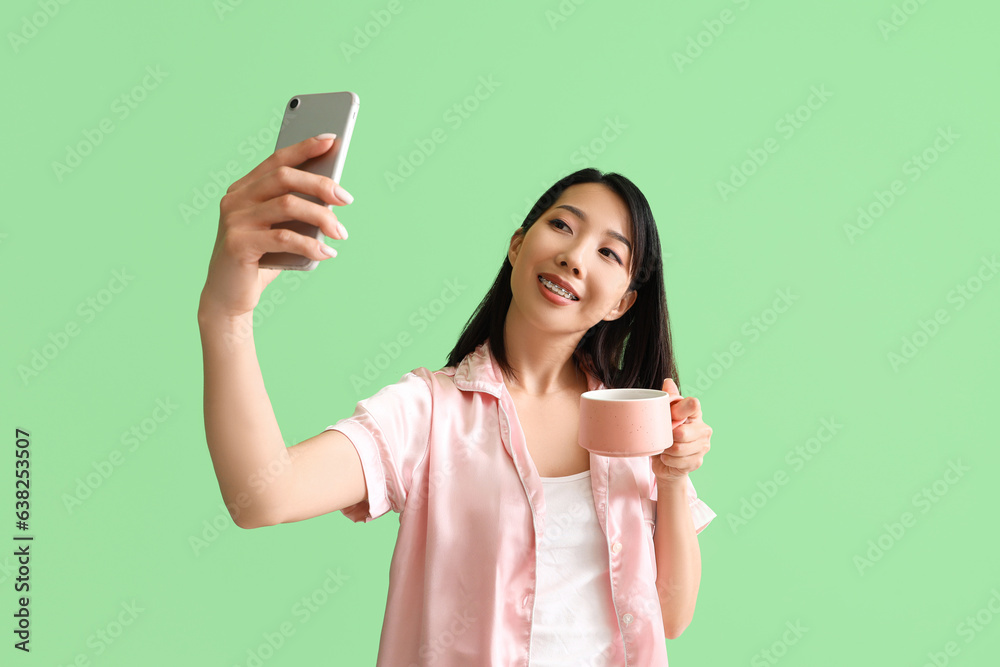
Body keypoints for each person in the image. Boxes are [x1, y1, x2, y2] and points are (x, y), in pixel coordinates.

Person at [198, 134, 716, 666]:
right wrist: (226, 316)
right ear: (517, 245)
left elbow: (669, 616)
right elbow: (263, 495)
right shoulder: (428, 412)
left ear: (623, 303)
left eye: (609, 252)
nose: (574, 257)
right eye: (562, 225)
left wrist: (671, 477)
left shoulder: (634, 421)